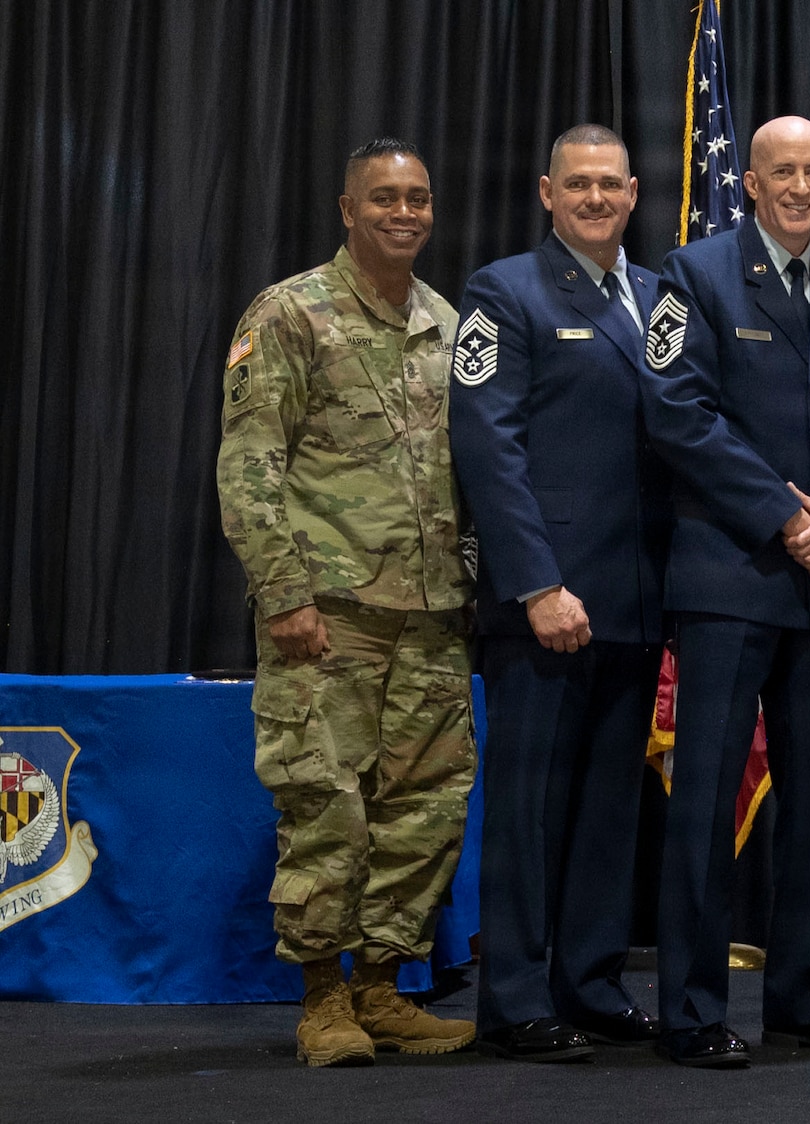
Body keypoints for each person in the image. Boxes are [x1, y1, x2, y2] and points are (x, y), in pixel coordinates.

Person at [642, 115, 810, 1069]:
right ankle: (694, 1009)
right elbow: (677, 413)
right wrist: (788, 518)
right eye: (780, 172)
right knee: (705, 800)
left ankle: (801, 995)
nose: (799, 187)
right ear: (748, 182)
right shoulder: (692, 274)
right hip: (731, 578)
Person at [217, 137, 477, 1067]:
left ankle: (385, 989)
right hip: (329, 613)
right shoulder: (292, 313)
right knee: (325, 805)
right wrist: (283, 593)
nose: (403, 213)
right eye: (384, 198)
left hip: (434, 614)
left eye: (417, 197)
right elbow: (249, 465)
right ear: (346, 207)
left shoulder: (449, 325)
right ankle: (323, 1000)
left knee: (424, 809)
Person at [451, 124, 672, 1063]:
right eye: (576, 184)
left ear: (632, 194)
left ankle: (589, 981)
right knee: (529, 810)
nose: (594, 199)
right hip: (546, 604)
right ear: (547, 191)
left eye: (610, 186)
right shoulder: (503, 293)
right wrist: (537, 582)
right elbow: (487, 449)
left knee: (608, 809)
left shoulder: (663, 299)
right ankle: (512, 998)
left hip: (635, 598)